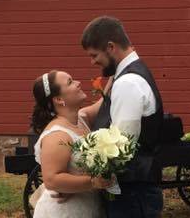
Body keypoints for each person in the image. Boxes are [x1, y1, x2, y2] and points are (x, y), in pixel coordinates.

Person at [82, 16, 164, 218]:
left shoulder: (128, 82)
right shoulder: (127, 74)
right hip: (135, 191)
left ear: (111, 47)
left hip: (133, 194)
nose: (93, 62)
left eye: (94, 55)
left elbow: (122, 146)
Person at [30, 70, 111, 217]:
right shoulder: (57, 135)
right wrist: (93, 182)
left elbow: (105, 101)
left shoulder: (81, 118)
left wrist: (116, 71)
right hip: (65, 212)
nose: (78, 83)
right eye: (70, 82)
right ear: (59, 99)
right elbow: (51, 179)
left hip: (87, 206)